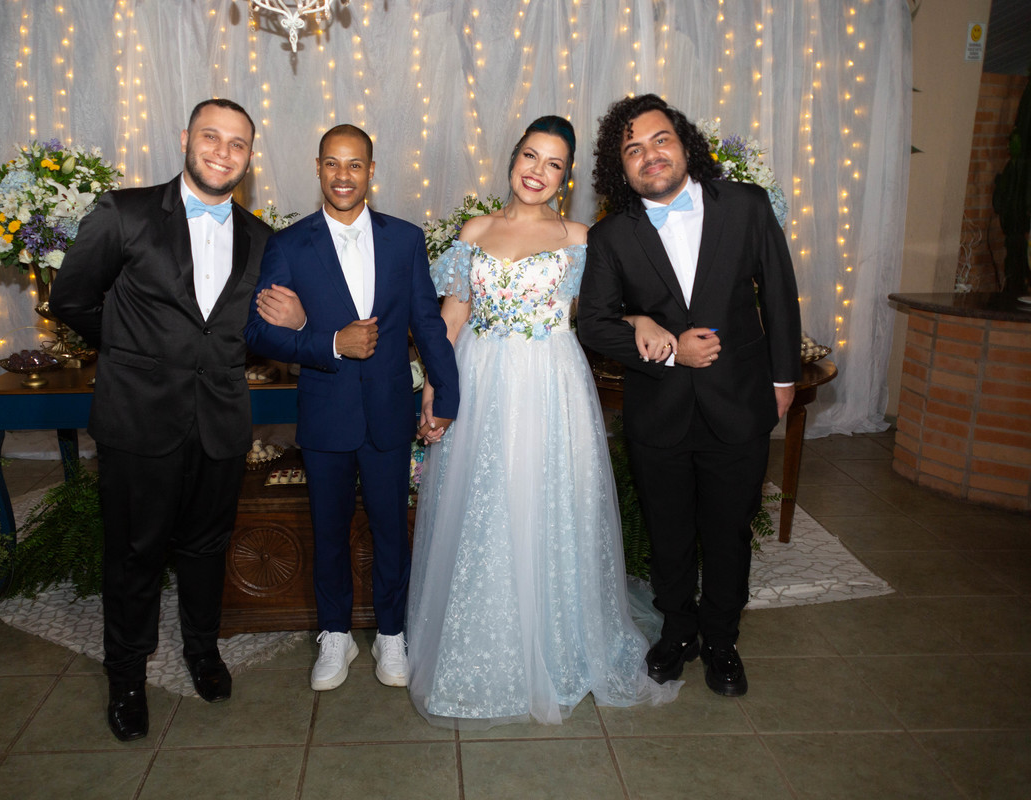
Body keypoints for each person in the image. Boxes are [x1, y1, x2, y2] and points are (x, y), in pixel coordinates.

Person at [405, 115, 680, 729]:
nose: (538, 171)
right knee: (481, 505)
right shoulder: (475, 231)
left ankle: (554, 644)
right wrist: (433, 391)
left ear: (567, 177)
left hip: (550, 388)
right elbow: (451, 320)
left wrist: (640, 320)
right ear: (513, 159)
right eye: (531, 156)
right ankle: (480, 642)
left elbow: (607, 313)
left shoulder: (582, 238)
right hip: (478, 383)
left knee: (544, 505)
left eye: (554, 164)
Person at [49, 99, 274, 741]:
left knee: (207, 548)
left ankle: (202, 651)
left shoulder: (261, 238)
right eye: (211, 137)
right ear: (185, 139)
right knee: (134, 554)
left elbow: (250, 328)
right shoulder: (125, 213)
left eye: (237, 144)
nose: (223, 152)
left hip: (220, 420)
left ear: (249, 157)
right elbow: (71, 300)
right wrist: (133, 352)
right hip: (138, 418)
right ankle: (126, 677)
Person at [577, 94, 801, 698]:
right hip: (659, 411)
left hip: (740, 403)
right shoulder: (610, 235)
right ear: (620, 168)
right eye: (633, 149)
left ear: (684, 144)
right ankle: (679, 631)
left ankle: (723, 640)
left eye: (660, 140)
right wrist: (671, 348)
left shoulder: (746, 205)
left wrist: (783, 382)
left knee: (729, 533)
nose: (649, 155)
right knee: (669, 534)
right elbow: (594, 323)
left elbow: (779, 294)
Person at [244, 124, 460, 693]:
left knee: (392, 530)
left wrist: (446, 393)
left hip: (390, 411)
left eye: (355, 164)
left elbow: (428, 323)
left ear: (371, 171)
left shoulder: (405, 239)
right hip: (325, 416)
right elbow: (258, 333)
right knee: (329, 532)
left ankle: (392, 632)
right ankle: (334, 633)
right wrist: (330, 342)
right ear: (318, 168)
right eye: (333, 164)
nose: (344, 176)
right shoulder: (289, 245)